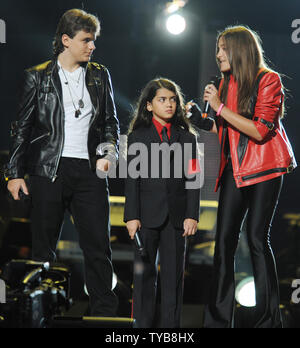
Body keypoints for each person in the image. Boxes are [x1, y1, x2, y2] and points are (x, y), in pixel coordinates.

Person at [4, 9, 120, 317]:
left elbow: (110, 122)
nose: (92, 46)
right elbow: (22, 127)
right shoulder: (38, 75)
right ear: (66, 40)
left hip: (90, 173)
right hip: (48, 170)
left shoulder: (99, 74)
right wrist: (13, 174)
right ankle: (41, 313)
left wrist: (108, 155)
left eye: (94, 40)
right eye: (85, 40)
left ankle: (104, 316)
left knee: (98, 248)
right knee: (44, 250)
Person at [189, 25, 297, 328]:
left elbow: (259, 130)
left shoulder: (268, 79)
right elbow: (226, 128)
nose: (218, 54)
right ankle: (218, 321)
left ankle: (267, 320)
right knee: (223, 243)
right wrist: (202, 119)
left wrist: (219, 108)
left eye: (223, 48)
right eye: (217, 49)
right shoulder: (225, 83)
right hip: (235, 171)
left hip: (264, 168)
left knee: (257, 239)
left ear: (239, 49)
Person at [124, 78, 201, 328]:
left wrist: (192, 214)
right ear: (149, 105)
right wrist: (131, 216)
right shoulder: (137, 137)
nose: (169, 104)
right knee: (144, 279)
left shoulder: (187, 139)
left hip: (177, 218)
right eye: (162, 99)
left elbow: (193, 178)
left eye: (172, 99)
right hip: (145, 216)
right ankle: (141, 328)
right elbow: (132, 180)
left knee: (173, 281)